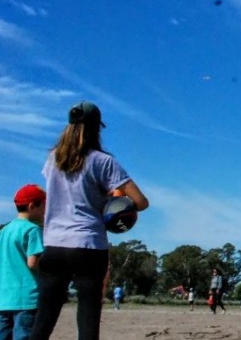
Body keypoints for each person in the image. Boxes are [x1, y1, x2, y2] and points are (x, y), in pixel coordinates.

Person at [30, 101, 149, 340]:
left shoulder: (53, 159)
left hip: (54, 243)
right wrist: (114, 202)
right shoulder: (103, 161)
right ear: (97, 128)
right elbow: (141, 201)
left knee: (43, 321)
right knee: (87, 321)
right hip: (88, 244)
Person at [0, 184, 46, 340]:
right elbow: (32, 262)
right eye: (44, 205)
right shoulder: (33, 230)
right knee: (23, 335)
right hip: (26, 297)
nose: (45, 210)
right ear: (32, 206)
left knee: (2, 334)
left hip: (3, 297)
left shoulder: (3, 231)